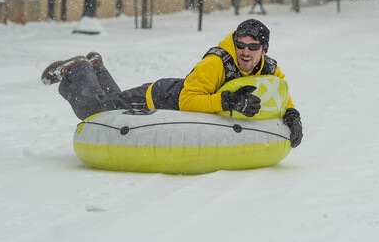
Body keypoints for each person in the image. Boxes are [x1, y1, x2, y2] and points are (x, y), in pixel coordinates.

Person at [41, 19, 303, 147]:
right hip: (160, 98)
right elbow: (187, 101)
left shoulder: (269, 68)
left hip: (172, 94)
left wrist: (292, 114)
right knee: (95, 111)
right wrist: (224, 102)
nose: (245, 52)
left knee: (112, 104)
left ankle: (97, 68)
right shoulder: (216, 62)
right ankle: (77, 69)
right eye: (241, 45)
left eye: (253, 47)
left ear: (264, 49)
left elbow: (280, 95)